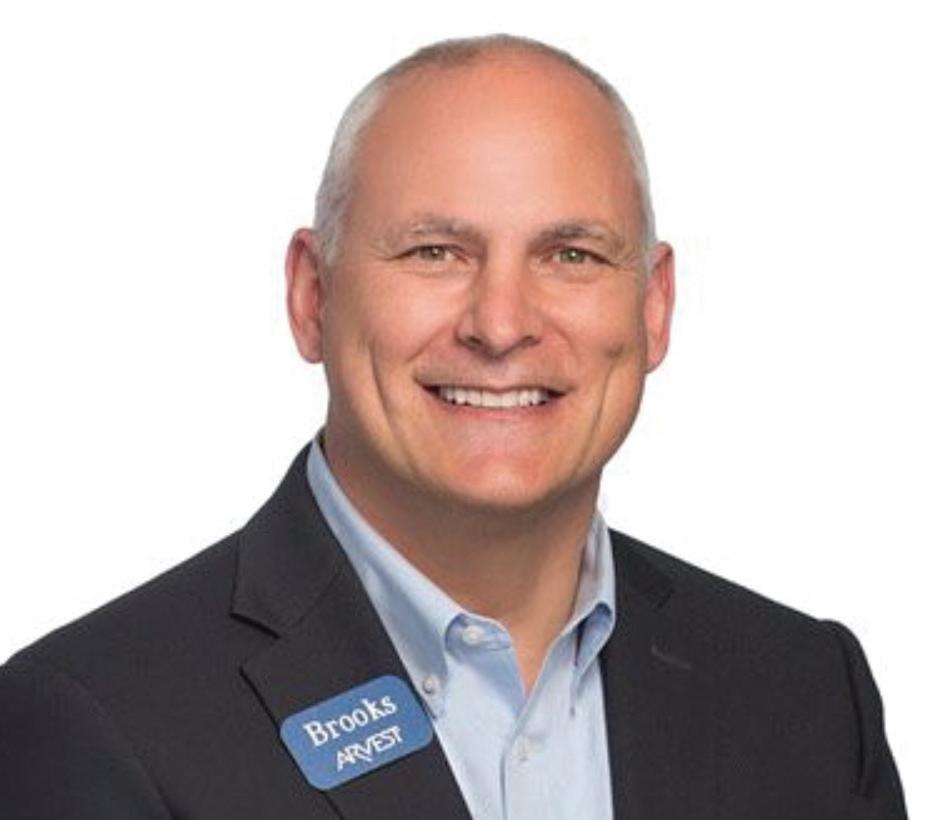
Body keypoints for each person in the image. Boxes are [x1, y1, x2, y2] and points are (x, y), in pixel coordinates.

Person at [0, 34, 907, 819]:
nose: (501, 324)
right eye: (435, 252)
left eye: (572, 255)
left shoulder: (806, 696)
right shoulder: (93, 722)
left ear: (654, 307)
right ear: (312, 296)